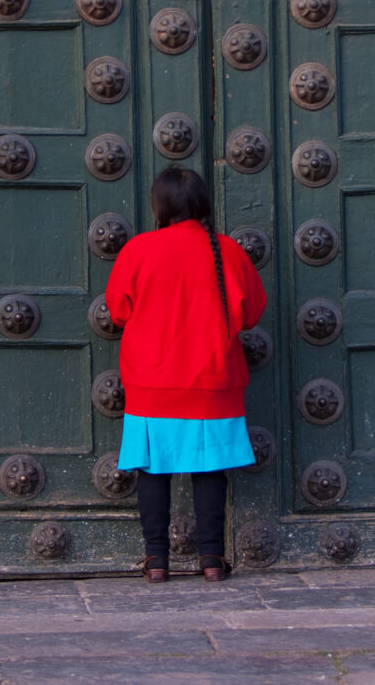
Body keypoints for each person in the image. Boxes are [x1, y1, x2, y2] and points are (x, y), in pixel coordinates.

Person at [105, 166, 266, 582]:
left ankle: (156, 560)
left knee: (152, 469)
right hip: (213, 380)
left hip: (152, 380)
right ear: (202, 204)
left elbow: (119, 311)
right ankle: (212, 559)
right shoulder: (227, 251)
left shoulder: (138, 250)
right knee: (210, 469)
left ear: (160, 206)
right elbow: (251, 313)